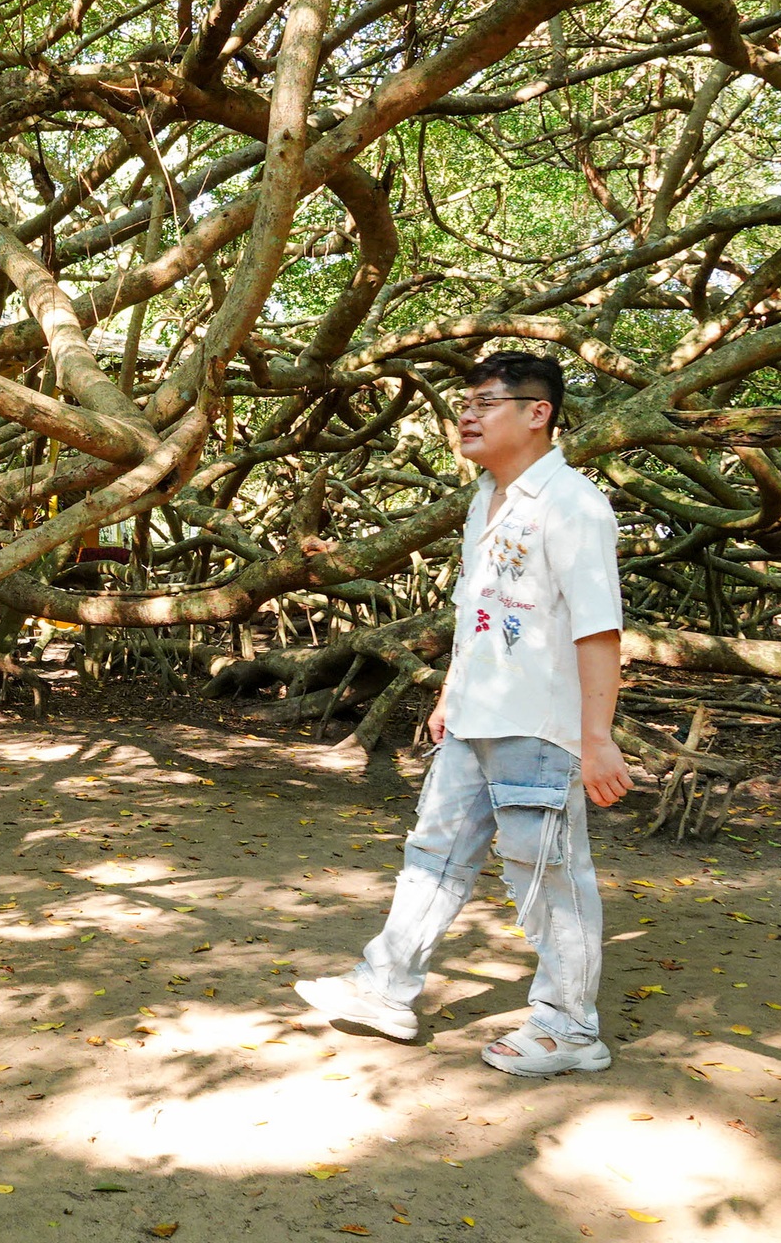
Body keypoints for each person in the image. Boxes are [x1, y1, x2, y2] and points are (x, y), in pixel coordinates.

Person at [296, 351, 632, 1078]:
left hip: (539, 725)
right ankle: (385, 985)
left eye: (485, 402)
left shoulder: (574, 505)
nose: (467, 416)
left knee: (545, 873)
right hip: (476, 715)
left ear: (537, 413)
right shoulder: (488, 496)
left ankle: (571, 1027)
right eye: (463, 404)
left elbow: (598, 629)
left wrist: (597, 738)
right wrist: (450, 693)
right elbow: (475, 612)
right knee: (434, 855)